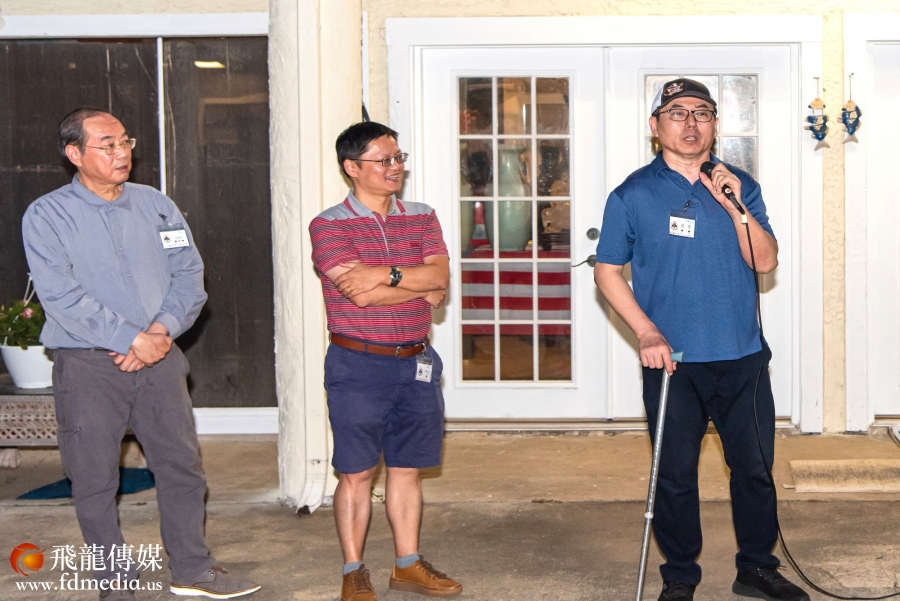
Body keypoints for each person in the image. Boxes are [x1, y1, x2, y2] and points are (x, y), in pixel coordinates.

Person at [21, 108, 260, 601]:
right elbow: (60, 296)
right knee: (93, 479)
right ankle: (114, 581)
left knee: (181, 468)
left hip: (160, 360)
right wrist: (131, 338)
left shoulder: (157, 206)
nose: (122, 152)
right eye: (107, 144)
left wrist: (158, 332)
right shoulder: (47, 216)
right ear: (74, 154)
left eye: (125, 141)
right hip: (88, 366)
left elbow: (189, 277)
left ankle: (192, 570)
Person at [593, 79, 810, 601]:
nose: (690, 123)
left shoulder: (740, 185)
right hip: (673, 363)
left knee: (754, 470)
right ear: (655, 126)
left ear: (714, 124)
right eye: (677, 112)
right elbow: (606, 271)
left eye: (702, 112)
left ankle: (756, 568)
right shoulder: (632, 194)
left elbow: (765, 261)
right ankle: (680, 574)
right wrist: (646, 331)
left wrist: (732, 204)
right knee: (674, 474)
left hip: (742, 358)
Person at [308, 121, 461, 601]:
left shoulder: (422, 216)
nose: (396, 167)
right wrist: (415, 283)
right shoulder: (328, 225)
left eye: (399, 158)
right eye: (384, 160)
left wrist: (384, 275)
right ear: (352, 168)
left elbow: (440, 281)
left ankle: (407, 564)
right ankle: (353, 570)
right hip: (358, 364)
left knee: (407, 468)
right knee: (355, 473)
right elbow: (358, 296)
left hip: (416, 361)